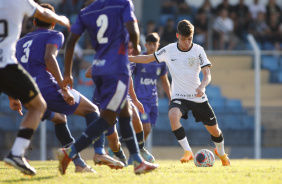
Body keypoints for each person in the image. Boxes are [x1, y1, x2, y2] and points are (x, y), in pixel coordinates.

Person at [15, 3, 124, 173]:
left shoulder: (20, 41)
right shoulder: (55, 34)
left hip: (27, 93)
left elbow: (11, 68)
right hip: (46, 88)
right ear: (53, 22)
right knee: (93, 110)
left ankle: (79, 165)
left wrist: (13, 96)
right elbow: (49, 58)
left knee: (59, 118)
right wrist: (63, 87)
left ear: (34, 22)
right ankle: (99, 152)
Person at [57, 0, 159, 175]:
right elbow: (133, 28)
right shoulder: (122, 4)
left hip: (99, 69)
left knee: (125, 113)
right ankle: (70, 152)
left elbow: (71, 42)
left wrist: (67, 73)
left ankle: (137, 161)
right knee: (107, 119)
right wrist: (134, 47)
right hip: (117, 68)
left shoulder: (85, 12)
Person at [128, 19, 231, 166]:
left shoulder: (198, 50)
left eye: (190, 39)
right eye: (183, 39)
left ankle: (221, 153)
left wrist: (202, 86)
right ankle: (188, 151)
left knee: (215, 131)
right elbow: (147, 58)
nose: (187, 43)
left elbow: (207, 74)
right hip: (179, 96)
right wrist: (126, 58)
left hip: (197, 97)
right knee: (173, 115)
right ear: (177, 36)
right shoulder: (169, 49)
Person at [0, 0, 70, 176]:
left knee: (49, 112)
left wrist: (12, 95)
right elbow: (43, 13)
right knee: (39, 106)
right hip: (6, 64)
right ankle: (17, 153)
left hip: (8, 70)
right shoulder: (19, 2)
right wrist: (61, 19)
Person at [85, 41, 156, 164]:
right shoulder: (110, 58)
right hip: (103, 101)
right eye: (127, 48)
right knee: (114, 140)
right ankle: (120, 156)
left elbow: (129, 80)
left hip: (122, 97)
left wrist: (135, 100)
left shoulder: (131, 60)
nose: (130, 51)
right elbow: (88, 73)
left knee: (135, 116)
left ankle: (140, 148)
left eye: (131, 48)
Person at [132, 33, 171, 143]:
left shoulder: (161, 62)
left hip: (153, 100)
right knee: (146, 128)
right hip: (141, 100)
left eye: (154, 44)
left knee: (147, 130)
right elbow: (129, 76)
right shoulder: (139, 60)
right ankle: (137, 152)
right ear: (145, 45)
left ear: (158, 45)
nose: (152, 47)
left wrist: (170, 98)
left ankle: (129, 145)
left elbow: (164, 81)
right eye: (149, 44)